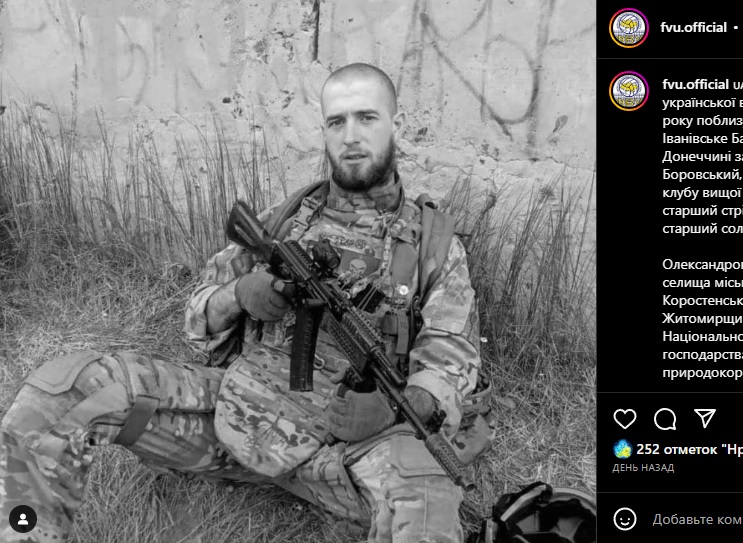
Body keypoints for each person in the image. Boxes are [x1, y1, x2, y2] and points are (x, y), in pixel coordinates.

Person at [0, 62, 492, 543]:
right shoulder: (285, 219)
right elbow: (197, 318)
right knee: (67, 387)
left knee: (427, 499)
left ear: (394, 124)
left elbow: (449, 356)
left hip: (348, 455)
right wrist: (238, 294)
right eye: (336, 122)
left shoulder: (432, 246)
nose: (351, 136)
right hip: (235, 417)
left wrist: (391, 409)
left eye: (367, 118)